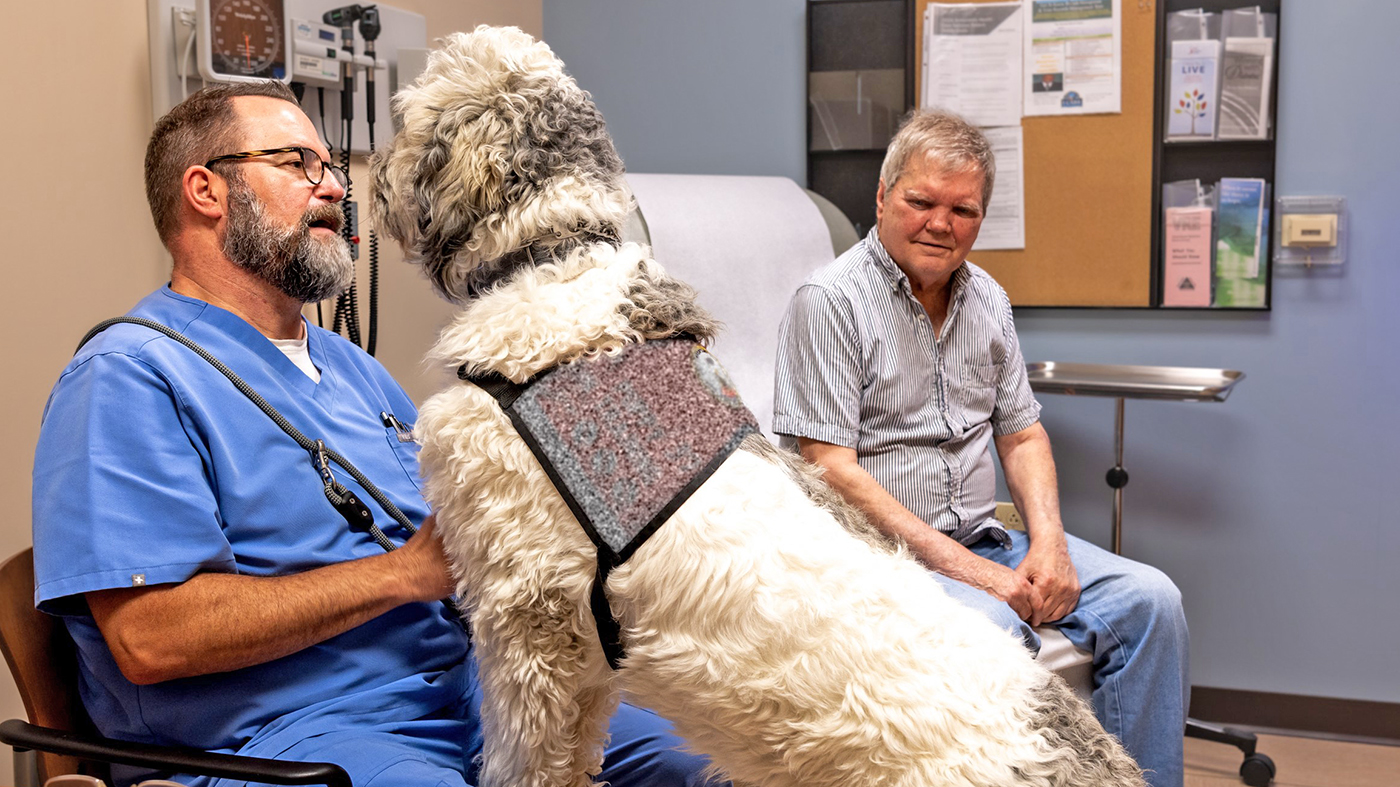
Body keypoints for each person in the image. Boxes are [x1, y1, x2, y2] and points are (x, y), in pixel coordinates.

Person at [31, 82, 718, 787]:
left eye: (331, 168)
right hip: (296, 735)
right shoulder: (126, 378)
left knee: (715, 762)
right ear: (206, 190)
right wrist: (402, 574)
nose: (332, 188)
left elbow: (446, 540)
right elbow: (150, 637)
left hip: (472, 691)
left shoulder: (352, 368)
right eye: (298, 163)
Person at [772, 109, 1190, 787]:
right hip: (880, 558)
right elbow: (830, 469)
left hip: (986, 538)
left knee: (1153, 600)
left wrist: (1048, 544)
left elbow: (1022, 433)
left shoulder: (988, 299)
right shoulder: (829, 302)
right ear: (881, 198)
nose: (941, 223)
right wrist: (980, 576)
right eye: (921, 201)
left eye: (962, 209)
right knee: (995, 627)